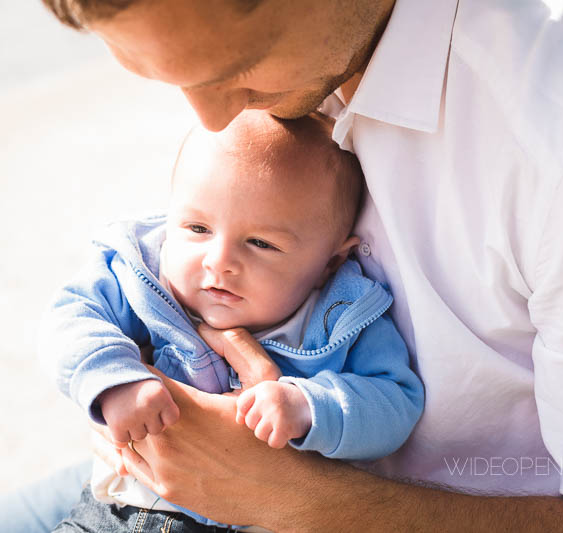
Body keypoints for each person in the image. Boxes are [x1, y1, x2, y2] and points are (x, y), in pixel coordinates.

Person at [0, 0, 563, 530]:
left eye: (240, 70)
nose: (215, 118)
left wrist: (286, 496)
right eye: (166, 77)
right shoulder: (308, 62)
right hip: (147, 476)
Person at [43, 110, 424, 530]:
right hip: (128, 509)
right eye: (197, 227)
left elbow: (395, 402)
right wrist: (115, 380)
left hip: (269, 517)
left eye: (260, 243)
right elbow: (73, 314)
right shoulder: (146, 275)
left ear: (331, 262)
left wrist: (307, 405)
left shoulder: (344, 318)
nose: (220, 260)